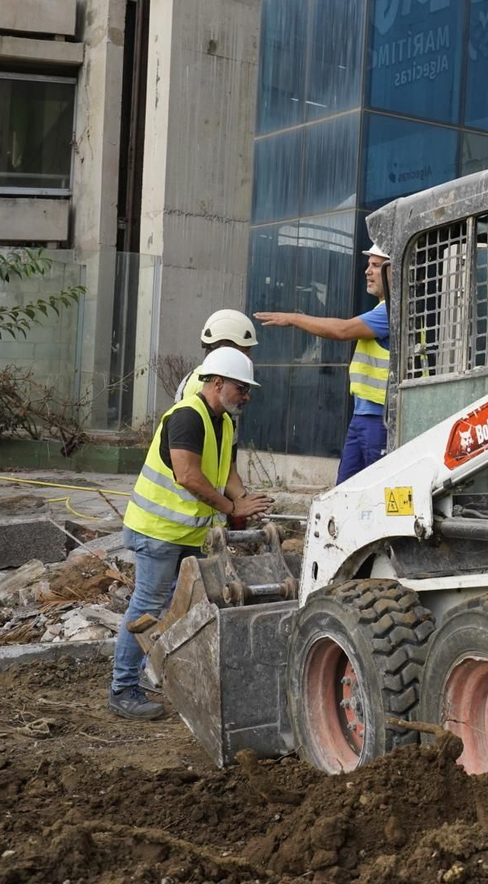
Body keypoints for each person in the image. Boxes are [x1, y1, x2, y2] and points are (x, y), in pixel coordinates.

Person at [109, 347, 273, 720]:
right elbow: (188, 475)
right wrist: (233, 508)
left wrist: (245, 500)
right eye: (240, 388)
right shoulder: (186, 417)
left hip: (187, 534)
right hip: (158, 532)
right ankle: (122, 688)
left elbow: (227, 473)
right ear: (217, 383)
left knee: (194, 606)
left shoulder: (225, 422)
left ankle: (154, 674)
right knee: (148, 606)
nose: (246, 396)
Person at [256, 244, 392, 484]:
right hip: (364, 416)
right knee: (345, 492)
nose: (367, 272)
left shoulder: (390, 312)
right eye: (368, 265)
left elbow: (342, 330)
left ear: (394, 270)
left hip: (380, 419)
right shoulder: (383, 309)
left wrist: (293, 318)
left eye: (376, 266)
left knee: (376, 491)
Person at [173, 309, 259, 401]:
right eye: (245, 350)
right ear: (224, 349)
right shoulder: (206, 386)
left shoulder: (206, 376)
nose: (249, 357)